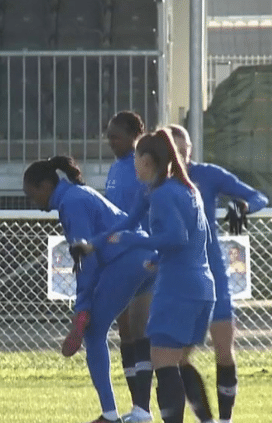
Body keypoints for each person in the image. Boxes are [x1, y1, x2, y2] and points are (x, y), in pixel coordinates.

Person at [80, 128, 216, 423]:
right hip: (202, 287)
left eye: (137, 158)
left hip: (178, 288)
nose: (133, 165)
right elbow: (132, 221)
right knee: (178, 363)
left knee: (164, 366)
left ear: (147, 160)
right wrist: (96, 243)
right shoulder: (181, 188)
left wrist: (135, 242)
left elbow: (176, 237)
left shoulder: (165, 193)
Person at [23, 156, 156, 423]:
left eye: (32, 193)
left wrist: (82, 308)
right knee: (142, 337)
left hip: (126, 261)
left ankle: (109, 415)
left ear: (47, 185)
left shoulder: (71, 203)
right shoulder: (77, 194)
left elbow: (87, 258)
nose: (32, 200)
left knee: (94, 332)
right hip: (148, 258)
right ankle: (143, 412)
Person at [170, 124, 268, 423]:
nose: (178, 157)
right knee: (177, 358)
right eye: (171, 151)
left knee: (224, 350)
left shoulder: (208, 175)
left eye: (182, 150)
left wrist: (242, 206)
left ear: (190, 151)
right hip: (177, 277)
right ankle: (207, 420)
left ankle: (225, 420)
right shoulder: (155, 183)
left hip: (213, 273)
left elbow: (258, 197)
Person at [104, 111, 154, 423]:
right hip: (118, 258)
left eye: (115, 136)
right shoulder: (114, 168)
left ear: (135, 136)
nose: (110, 142)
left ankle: (146, 407)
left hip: (144, 257)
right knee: (125, 332)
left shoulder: (144, 169)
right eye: (108, 136)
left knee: (141, 331)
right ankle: (137, 407)